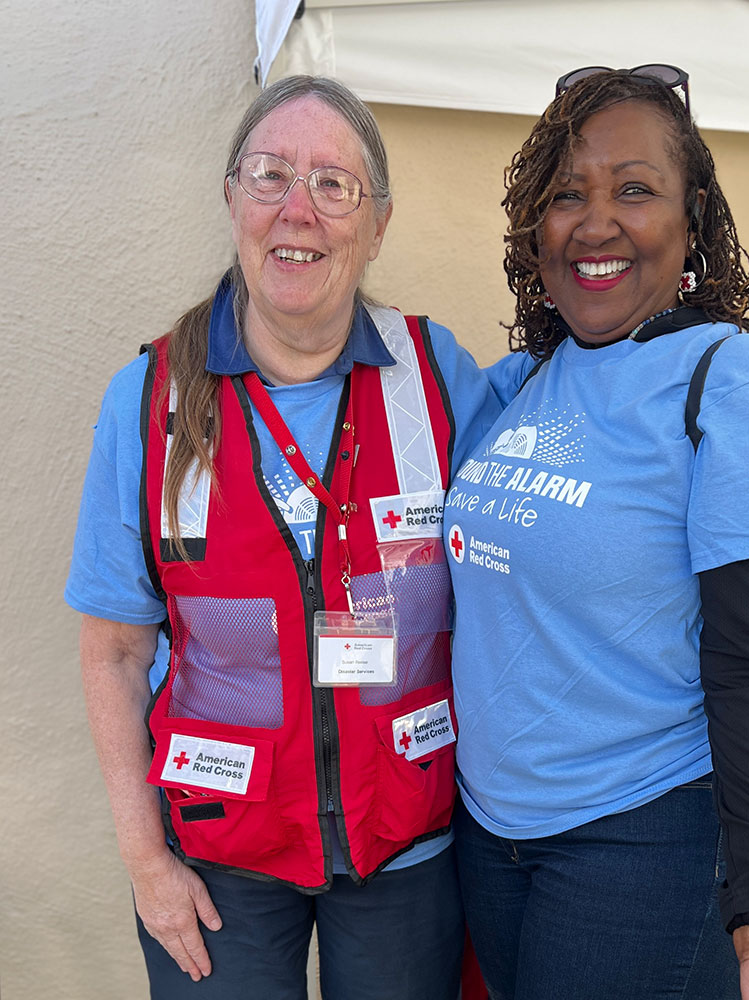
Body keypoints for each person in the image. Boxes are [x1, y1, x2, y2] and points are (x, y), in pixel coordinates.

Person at [65, 76, 502, 1000]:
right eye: (269, 175)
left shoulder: (436, 376)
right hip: (218, 851)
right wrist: (147, 864)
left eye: (334, 184)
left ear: (377, 224)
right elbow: (111, 649)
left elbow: (560, 477)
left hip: (405, 847)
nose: (297, 208)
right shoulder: (147, 401)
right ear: (231, 199)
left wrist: (711, 476)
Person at [444, 65, 749, 1000]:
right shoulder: (522, 385)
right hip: (492, 837)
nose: (595, 223)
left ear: (693, 216)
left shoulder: (741, 383)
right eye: (565, 196)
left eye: (635, 189)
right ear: (532, 230)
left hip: (643, 839)